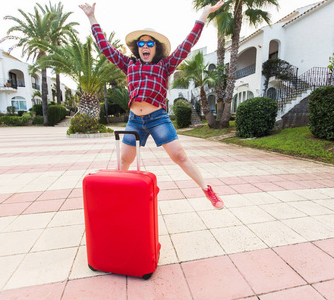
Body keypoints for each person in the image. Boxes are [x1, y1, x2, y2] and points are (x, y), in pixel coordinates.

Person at [79, 1, 225, 209]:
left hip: (158, 118)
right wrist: (92, 18)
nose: (145, 46)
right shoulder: (128, 64)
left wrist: (203, 14)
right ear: (137, 48)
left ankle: (207, 189)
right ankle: (117, 196)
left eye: (149, 43)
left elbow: (187, 45)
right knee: (124, 160)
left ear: (156, 48)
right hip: (134, 121)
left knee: (180, 156)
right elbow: (105, 48)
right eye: (141, 44)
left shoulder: (165, 65)